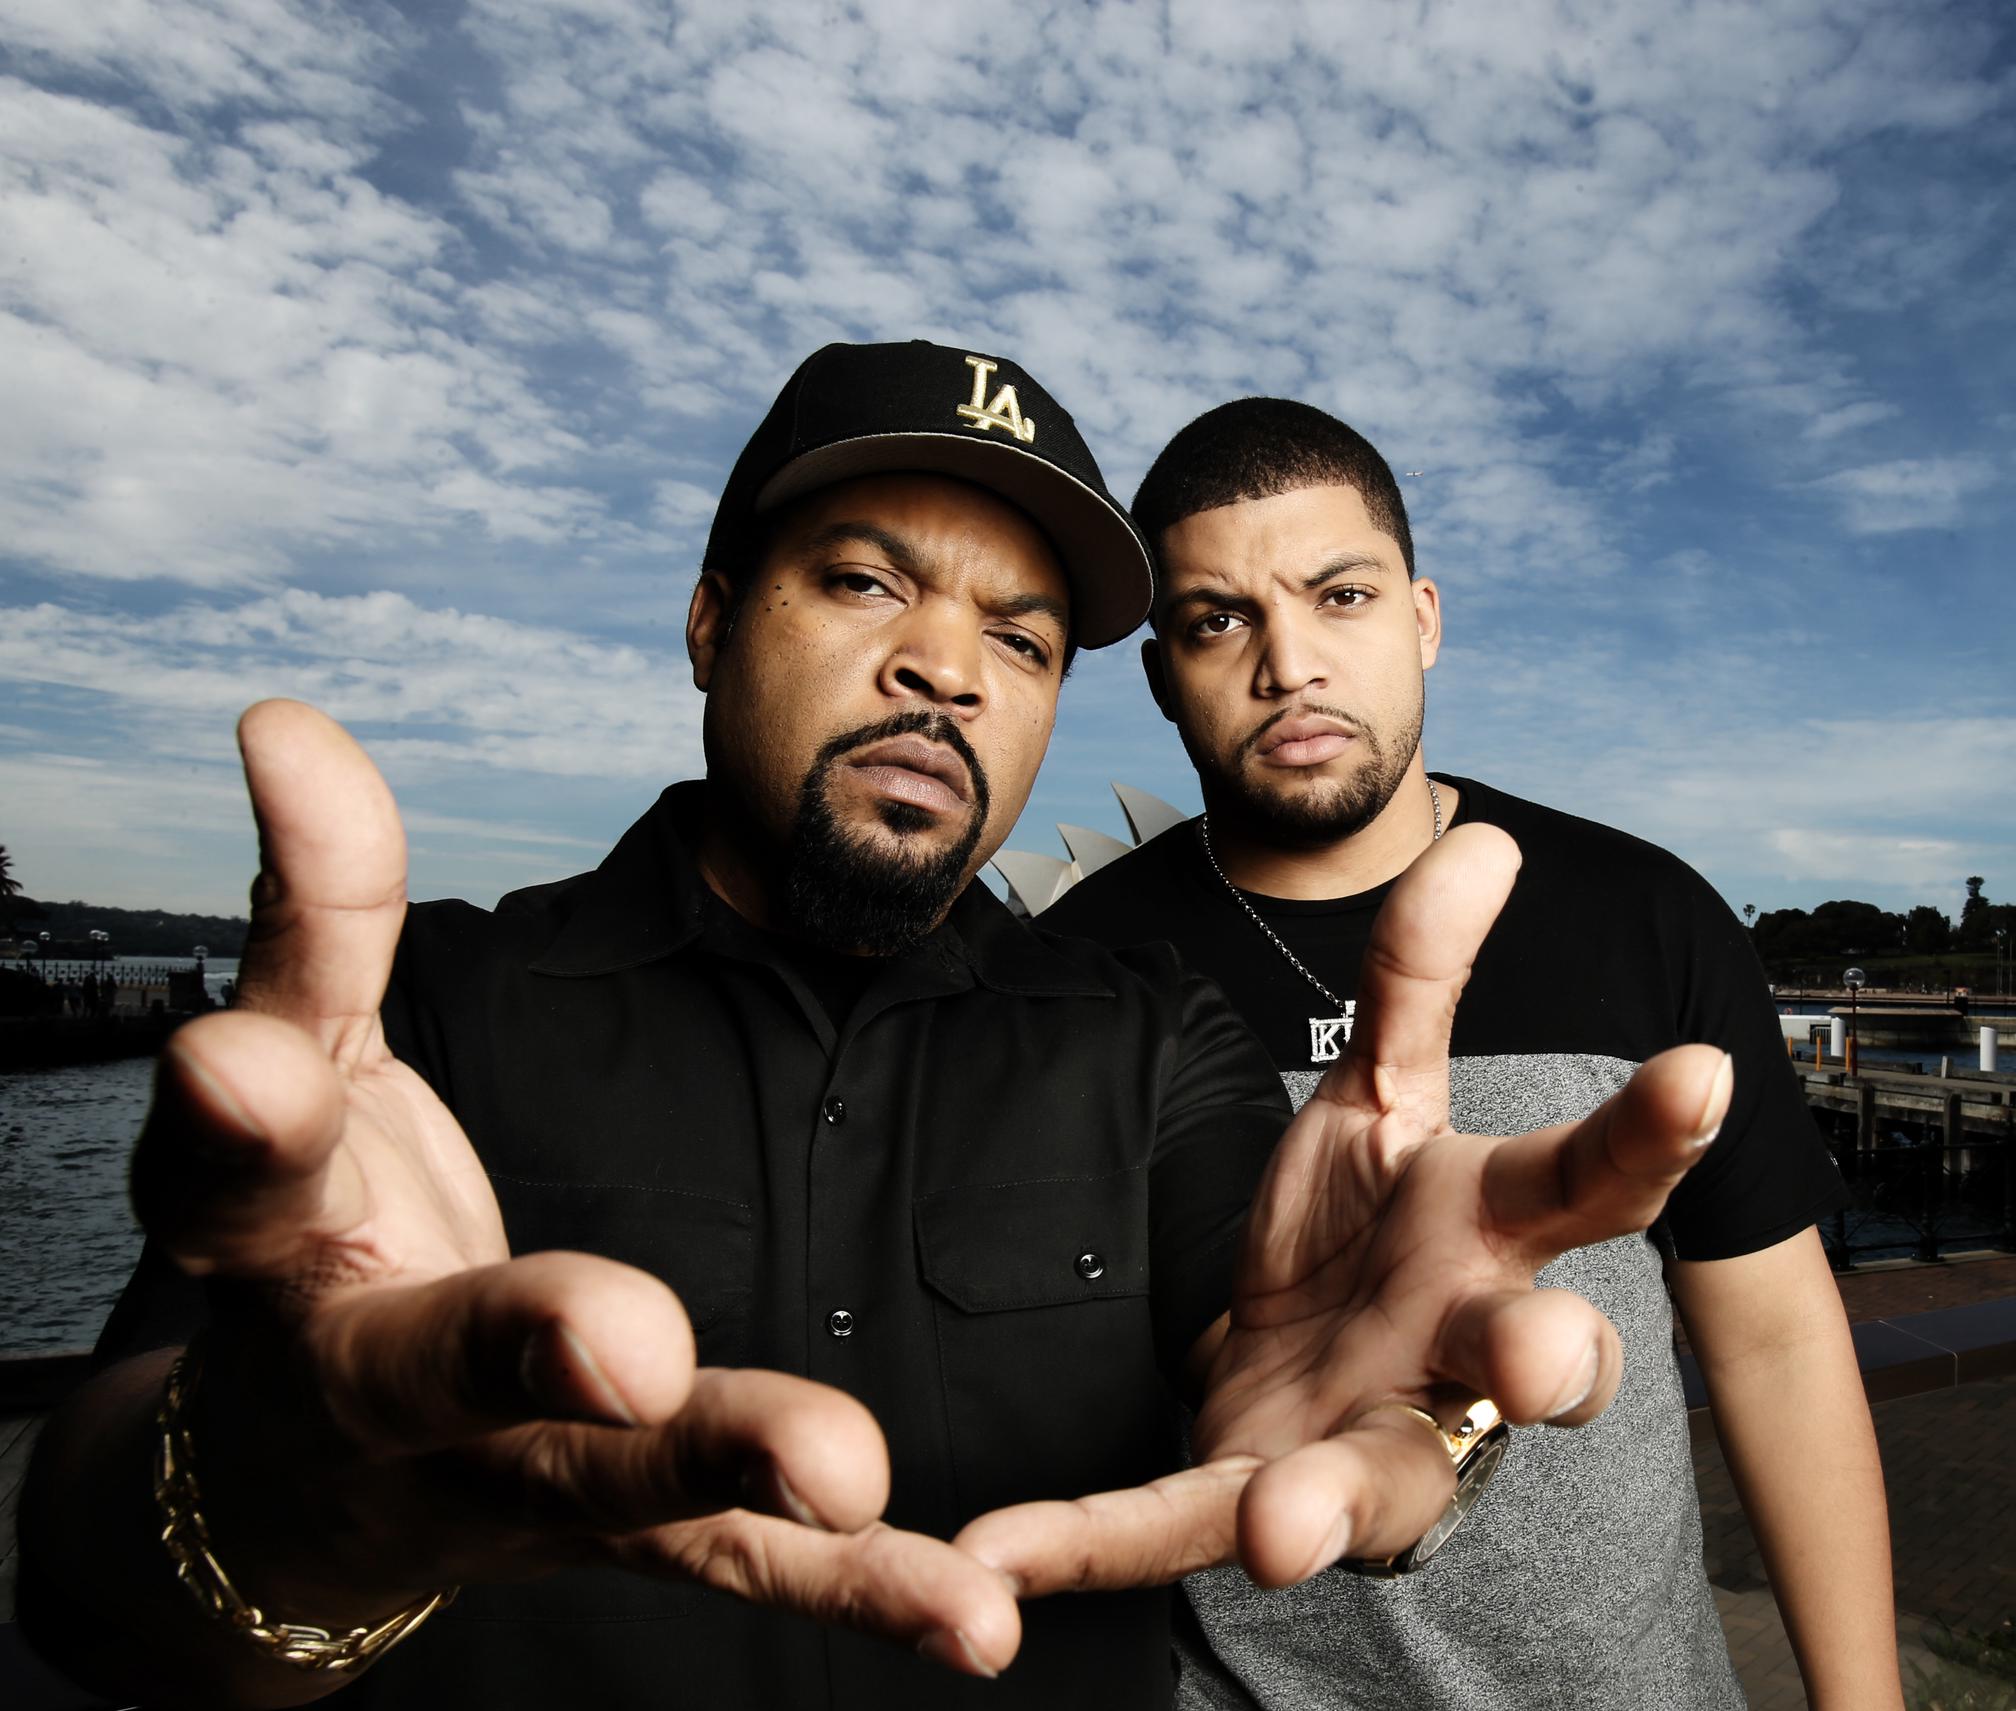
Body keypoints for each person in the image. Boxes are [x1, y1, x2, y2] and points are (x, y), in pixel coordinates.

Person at [18, 344, 1730, 1710]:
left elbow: (1270, 1342)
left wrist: (1426, 1405)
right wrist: (298, 1515)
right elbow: (87, 1593)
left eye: (1023, 636)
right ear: (709, 619)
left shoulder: (1148, 1032)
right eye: (862, 583)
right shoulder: (426, 1025)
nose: (946, 668)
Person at [1041, 398, 1902, 1709]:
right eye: (1221, 619)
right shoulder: (1077, 975)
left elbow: (1777, 1341)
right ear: (1162, 673)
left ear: (1424, 618)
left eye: (1341, 596)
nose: (1290, 666)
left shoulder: (1645, 916)